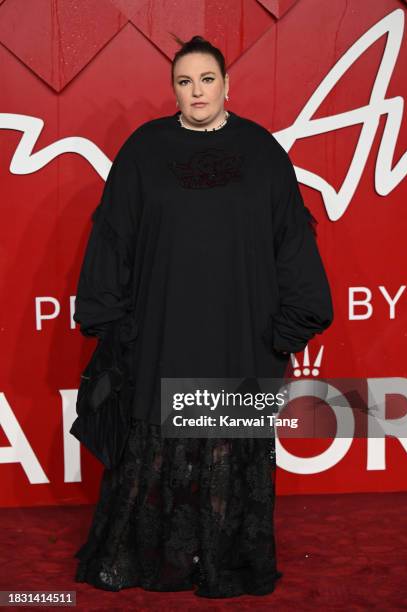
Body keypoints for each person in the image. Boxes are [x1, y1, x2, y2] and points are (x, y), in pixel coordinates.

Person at [72, 35, 334, 599]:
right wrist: (114, 323)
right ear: (173, 89)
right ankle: (151, 558)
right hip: (163, 331)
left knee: (225, 450)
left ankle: (221, 561)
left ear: (226, 84)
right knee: (156, 445)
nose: (197, 91)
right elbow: (113, 240)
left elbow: (290, 243)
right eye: (185, 81)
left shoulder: (263, 152)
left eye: (207, 79)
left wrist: (288, 326)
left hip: (239, 334)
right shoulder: (143, 150)